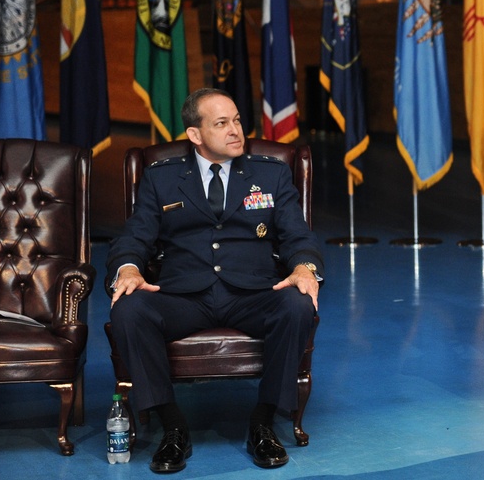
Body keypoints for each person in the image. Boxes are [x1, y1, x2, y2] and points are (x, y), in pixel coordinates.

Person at [108, 88, 323, 473]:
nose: (235, 130)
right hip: (184, 296)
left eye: (237, 120)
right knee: (129, 308)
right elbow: (135, 236)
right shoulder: (162, 178)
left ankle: (263, 421)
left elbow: (297, 236)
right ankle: (173, 426)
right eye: (222, 123)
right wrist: (128, 268)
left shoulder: (270, 174)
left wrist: (305, 266)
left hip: (252, 293)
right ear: (195, 135)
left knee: (296, 303)